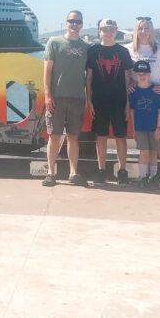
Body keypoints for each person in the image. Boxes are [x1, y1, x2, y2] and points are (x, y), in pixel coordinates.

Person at [42, 10, 89, 187]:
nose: (75, 24)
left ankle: (73, 173)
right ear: (66, 23)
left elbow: (89, 75)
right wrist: (47, 95)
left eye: (78, 21)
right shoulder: (54, 42)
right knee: (54, 136)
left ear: (82, 24)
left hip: (77, 98)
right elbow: (47, 70)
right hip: (57, 98)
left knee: (73, 137)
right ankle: (51, 173)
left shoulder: (86, 47)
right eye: (72, 21)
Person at [129, 17, 160, 188]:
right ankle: (146, 175)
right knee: (143, 140)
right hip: (139, 98)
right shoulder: (130, 49)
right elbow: (127, 74)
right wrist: (129, 86)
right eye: (140, 28)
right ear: (136, 30)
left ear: (152, 30)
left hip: (157, 96)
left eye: (147, 28)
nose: (143, 31)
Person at [85, 18, 133, 185]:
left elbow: (128, 77)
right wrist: (88, 100)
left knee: (121, 136)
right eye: (105, 29)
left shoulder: (123, 52)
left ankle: (122, 170)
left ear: (116, 31)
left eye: (112, 29)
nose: (108, 32)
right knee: (101, 136)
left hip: (119, 100)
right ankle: (101, 170)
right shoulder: (93, 51)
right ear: (100, 31)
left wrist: (128, 103)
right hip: (99, 100)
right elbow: (89, 77)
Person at [128, 60, 160, 188]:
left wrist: (159, 128)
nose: (142, 76)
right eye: (139, 74)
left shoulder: (156, 90)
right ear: (135, 75)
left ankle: (153, 177)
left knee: (153, 152)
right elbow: (132, 111)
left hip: (154, 127)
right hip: (140, 127)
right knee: (143, 151)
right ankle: (143, 177)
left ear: (149, 74)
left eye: (144, 73)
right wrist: (133, 129)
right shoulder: (133, 91)